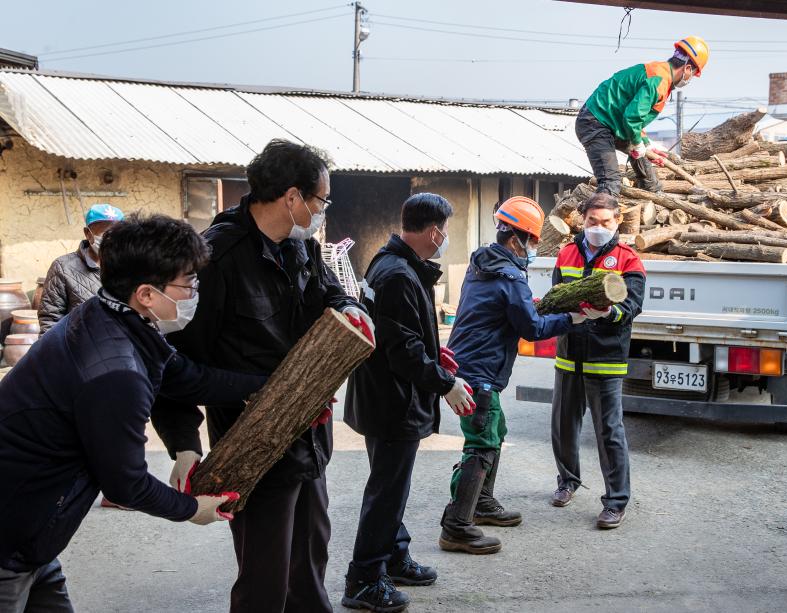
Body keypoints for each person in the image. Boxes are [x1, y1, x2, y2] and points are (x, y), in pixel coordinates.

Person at [0, 214, 267, 612]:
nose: (195, 291)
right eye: (188, 283)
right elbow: (126, 483)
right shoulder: (116, 372)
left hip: (35, 537)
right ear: (146, 293)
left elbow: (186, 376)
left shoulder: (109, 317)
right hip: (12, 539)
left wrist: (261, 385)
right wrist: (194, 509)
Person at [151, 139, 374, 613]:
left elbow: (331, 295)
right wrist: (185, 444)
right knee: (265, 577)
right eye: (321, 200)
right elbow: (174, 362)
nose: (322, 210)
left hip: (308, 441)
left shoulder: (300, 248)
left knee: (310, 561)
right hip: (253, 443)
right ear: (292, 197)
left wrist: (352, 309)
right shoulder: (216, 261)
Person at [438, 196, 606, 555]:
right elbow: (530, 327)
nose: (533, 248)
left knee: (495, 432)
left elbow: (514, 310)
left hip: (472, 365)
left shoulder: (484, 264)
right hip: (479, 372)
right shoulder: (509, 276)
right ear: (515, 238)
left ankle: (481, 504)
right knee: (482, 442)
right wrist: (573, 319)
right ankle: (456, 526)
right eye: (531, 241)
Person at [342, 193, 474, 612]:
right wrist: (445, 383)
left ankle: (393, 556)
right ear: (434, 231)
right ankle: (363, 579)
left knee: (390, 486)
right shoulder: (398, 274)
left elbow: (404, 334)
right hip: (393, 401)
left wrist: (438, 353)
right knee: (387, 492)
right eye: (446, 231)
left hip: (381, 396)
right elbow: (403, 350)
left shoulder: (389, 263)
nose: (446, 238)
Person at [549, 192, 646, 530]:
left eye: (606, 222)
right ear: (582, 220)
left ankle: (616, 501)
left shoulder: (627, 258)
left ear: (617, 221)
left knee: (609, 432)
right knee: (563, 425)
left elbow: (632, 306)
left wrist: (608, 312)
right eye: (593, 221)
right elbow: (558, 298)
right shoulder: (566, 253)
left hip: (605, 358)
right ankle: (567, 481)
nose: (598, 227)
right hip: (569, 355)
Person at [576, 36, 710, 196]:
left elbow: (634, 120)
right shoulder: (659, 81)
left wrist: (646, 144)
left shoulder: (660, 73)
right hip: (596, 122)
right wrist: (638, 144)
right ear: (688, 68)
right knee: (610, 182)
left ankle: (654, 194)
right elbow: (632, 118)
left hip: (614, 123)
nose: (690, 79)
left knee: (649, 177)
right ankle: (601, 216)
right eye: (693, 74)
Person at [38, 203, 125, 334]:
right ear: (88, 234)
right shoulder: (63, 267)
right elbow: (50, 320)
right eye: (104, 233)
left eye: (117, 233)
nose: (111, 239)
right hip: (81, 350)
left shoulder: (129, 266)